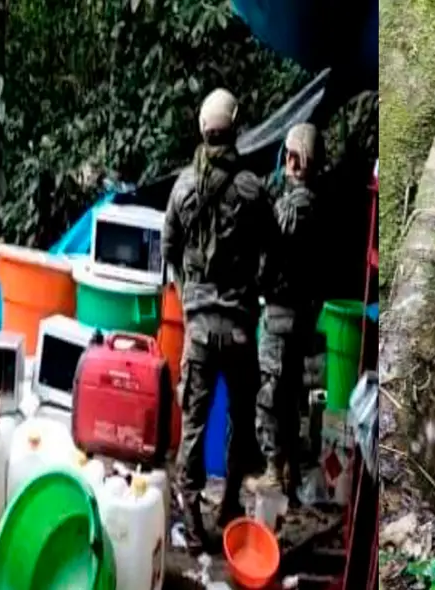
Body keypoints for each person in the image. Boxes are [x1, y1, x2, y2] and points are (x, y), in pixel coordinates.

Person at [162, 88, 279, 552]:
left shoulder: (184, 187)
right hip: (240, 327)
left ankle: (192, 525)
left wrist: (187, 294)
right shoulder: (252, 190)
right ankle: (229, 504)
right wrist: (255, 287)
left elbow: (169, 248)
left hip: (199, 329)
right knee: (240, 420)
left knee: (193, 424)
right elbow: (273, 248)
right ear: (236, 127)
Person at [254, 123, 322, 501]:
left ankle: (272, 470)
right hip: (302, 315)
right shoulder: (320, 203)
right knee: (292, 392)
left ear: (296, 158)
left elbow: (269, 248)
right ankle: (291, 469)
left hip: (281, 314)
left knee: (272, 394)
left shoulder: (294, 208)